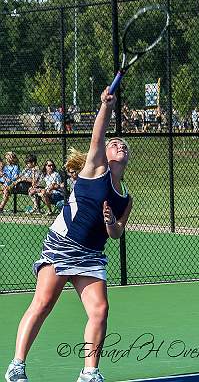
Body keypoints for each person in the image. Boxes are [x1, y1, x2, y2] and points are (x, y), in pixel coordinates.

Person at [5, 87, 133, 382]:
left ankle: (90, 373)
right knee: (43, 303)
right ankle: (17, 367)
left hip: (91, 255)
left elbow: (116, 234)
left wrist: (112, 221)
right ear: (106, 152)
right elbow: (98, 136)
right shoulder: (94, 168)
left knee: (100, 309)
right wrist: (106, 106)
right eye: (116, 143)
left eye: (125, 145)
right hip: (63, 244)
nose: (120, 146)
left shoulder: (125, 197)